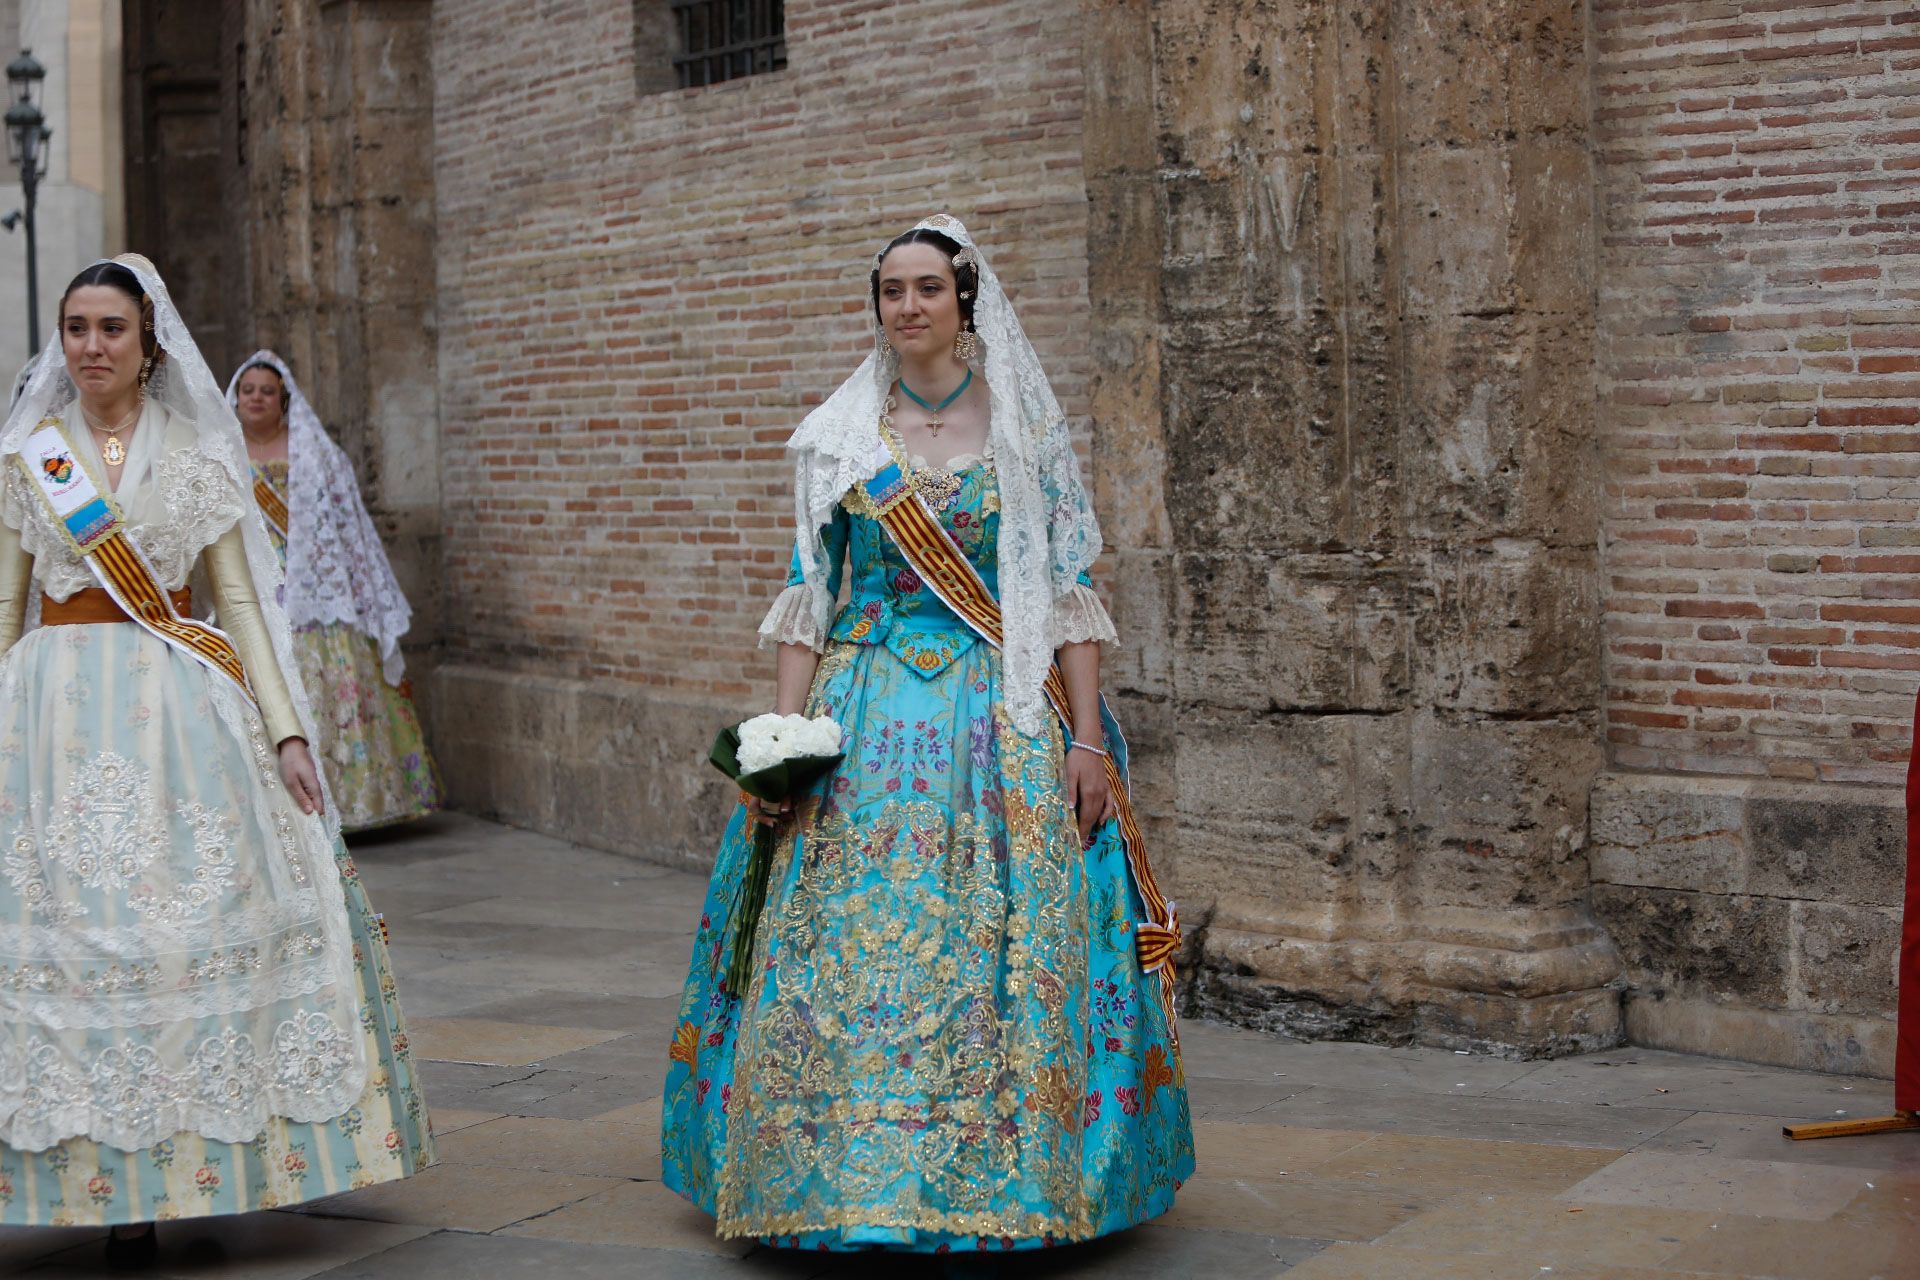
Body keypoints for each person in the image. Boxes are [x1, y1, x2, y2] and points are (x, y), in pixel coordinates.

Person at [662, 215, 1194, 1252]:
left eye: (926, 289)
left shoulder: (1024, 431)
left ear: (965, 300)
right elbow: (807, 595)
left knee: (1004, 940)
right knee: (844, 941)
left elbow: (1067, 594)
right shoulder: (841, 433)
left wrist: (1086, 741)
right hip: (864, 718)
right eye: (890, 291)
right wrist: (785, 733)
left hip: (999, 718)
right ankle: (833, 1173)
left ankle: (1009, 1175)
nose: (907, 306)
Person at [0, 257, 431, 1261]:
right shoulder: (31, 458)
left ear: (148, 339)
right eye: (76, 328)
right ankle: (78, 1168)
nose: (92, 345)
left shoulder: (201, 451)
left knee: (172, 933)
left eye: (110, 327)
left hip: (177, 710)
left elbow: (235, 600)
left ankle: (178, 1167)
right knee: (61, 936)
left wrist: (285, 729)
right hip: (48, 713)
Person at [227, 352, 441, 832]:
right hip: (252, 590)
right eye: (248, 390)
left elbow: (348, 528)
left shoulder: (317, 453)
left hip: (317, 592)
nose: (256, 398)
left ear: (283, 400)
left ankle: (353, 804)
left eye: (266, 391)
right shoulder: (220, 453)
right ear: (236, 398)